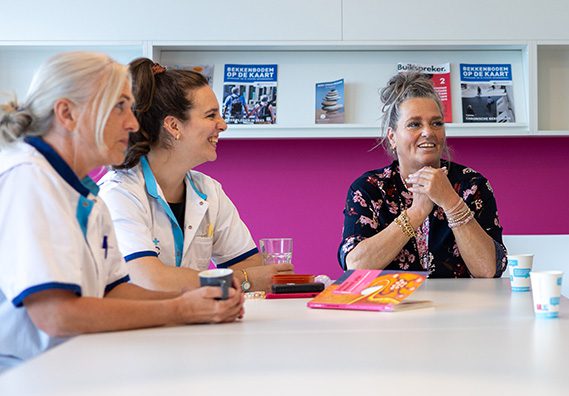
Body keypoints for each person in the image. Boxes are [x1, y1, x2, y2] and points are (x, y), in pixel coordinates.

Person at [0, 52, 244, 372]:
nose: (132, 123)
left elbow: (114, 292)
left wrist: (197, 300)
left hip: (70, 367)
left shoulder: (87, 193)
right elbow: (56, 315)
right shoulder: (27, 178)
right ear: (67, 114)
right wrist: (180, 311)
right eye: (119, 107)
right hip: (25, 378)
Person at [98, 58, 292, 294]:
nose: (223, 125)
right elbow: (151, 280)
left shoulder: (209, 191)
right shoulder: (119, 193)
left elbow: (252, 265)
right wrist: (241, 279)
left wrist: (237, 276)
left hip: (190, 322)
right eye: (211, 115)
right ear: (174, 126)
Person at [339, 71, 507, 277]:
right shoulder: (368, 189)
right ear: (392, 137)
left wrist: (451, 202)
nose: (428, 132)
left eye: (436, 123)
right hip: (391, 307)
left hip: (460, 307)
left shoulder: (472, 185)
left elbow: (489, 270)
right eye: (414, 124)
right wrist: (417, 212)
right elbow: (355, 264)